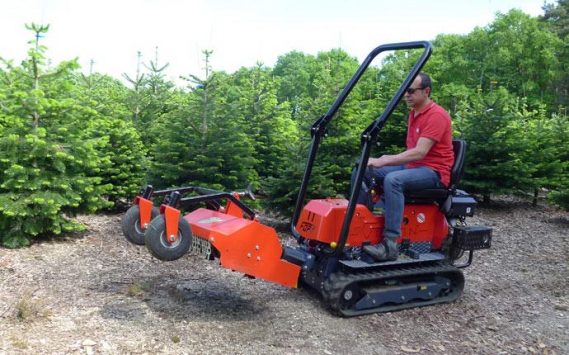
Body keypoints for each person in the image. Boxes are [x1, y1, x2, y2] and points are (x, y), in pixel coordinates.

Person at [352, 72, 454, 262]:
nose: (406, 95)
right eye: (405, 91)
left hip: (434, 172)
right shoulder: (413, 114)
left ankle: (390, 246)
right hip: (414, 168)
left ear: (426, 91)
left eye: (411, 91)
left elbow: (419, 153)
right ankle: (359, 229)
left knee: (393, 180)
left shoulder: (437, 115)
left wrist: (384, 159)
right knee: (362, 170)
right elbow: (412, 155)